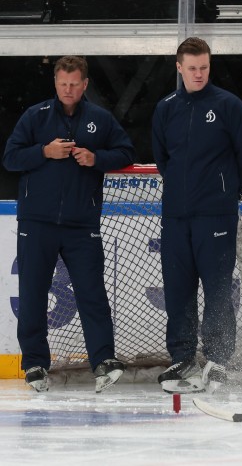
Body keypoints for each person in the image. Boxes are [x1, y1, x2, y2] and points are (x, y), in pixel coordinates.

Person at [3, 56, 135, 393]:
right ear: (55, 83)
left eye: (74, 83)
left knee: (92, 293)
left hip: (81, 225)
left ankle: (104, 360)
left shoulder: (100, 119)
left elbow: (125, 152)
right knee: (33, 293)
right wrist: (44, 152)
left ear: (85, 83)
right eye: (63, 83)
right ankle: (34, 363)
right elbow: (11, 157)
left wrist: (96, 159)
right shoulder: (36, 116)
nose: (68, 89)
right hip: (37, 222)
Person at [152, 37, 242, 394]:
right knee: (178, 291)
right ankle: (182, 358)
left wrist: (222, 192)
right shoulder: (166, 108)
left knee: (216, 290)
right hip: (176, 217)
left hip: (215, 216)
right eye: (193, 68)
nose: (199, 74)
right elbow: (163, 160)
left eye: (204, 68)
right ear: (179, 67)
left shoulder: (230, 106)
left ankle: (217, 360)